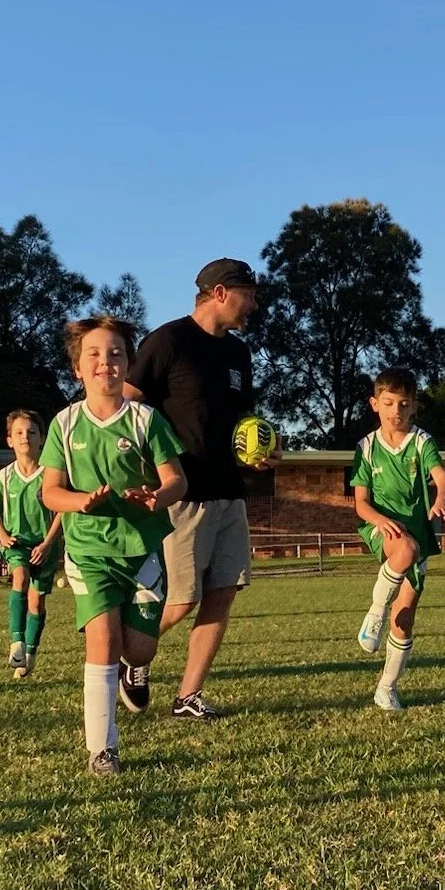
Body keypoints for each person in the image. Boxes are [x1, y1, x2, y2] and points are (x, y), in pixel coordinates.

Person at [124, 257, 271, 720]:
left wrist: (263, 450)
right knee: (182, 600)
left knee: (223, 592)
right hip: (184, 493)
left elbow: (244, 422)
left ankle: (188, 696)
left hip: (230, 492)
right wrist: (144, 468)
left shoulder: (239, 354)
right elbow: (128, 405)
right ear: (221, 293)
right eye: (248, 294)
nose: (254, 305)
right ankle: (128, 656)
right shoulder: (168, 341)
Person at [41, 315, 188, 775]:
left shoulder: (147, 420)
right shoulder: (64, 424)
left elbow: (176, 481)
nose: (106, 361)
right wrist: (82, 502)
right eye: (95, 354)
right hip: (88, 551)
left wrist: (155, 497)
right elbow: (50, 492)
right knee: (102, 640)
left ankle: (136, 669)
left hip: (141, 550)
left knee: (139, 649)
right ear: (78, 369)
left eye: (117, 353)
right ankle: (102, 748)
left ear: (129, 364)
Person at [351, 369, 445, 712]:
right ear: (374, 404)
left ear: (414, 408)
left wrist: (441, 498)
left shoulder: (422, 442)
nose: (396, 410)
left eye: (404, 404)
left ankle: (386, 687)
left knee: (405, 617)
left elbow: (442, 475)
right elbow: (360, 503)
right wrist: (381, 521)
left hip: (418, 532)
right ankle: (375, 611)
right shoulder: (365, 448)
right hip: (383, 529)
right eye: (389, 403)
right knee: (404, 548)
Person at [0, 409, 64, 679]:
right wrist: (3, 536)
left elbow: (63, 511)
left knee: (37, 602)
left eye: (31, 432)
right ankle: (16, 643)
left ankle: (30, 652)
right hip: (17, 544)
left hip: (45, 547)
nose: (25, 437)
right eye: (18, 432)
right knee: (19, 577)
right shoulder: (5, 477)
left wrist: (48, 543)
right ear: (9, 440)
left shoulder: (51, 474)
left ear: (42, 438)